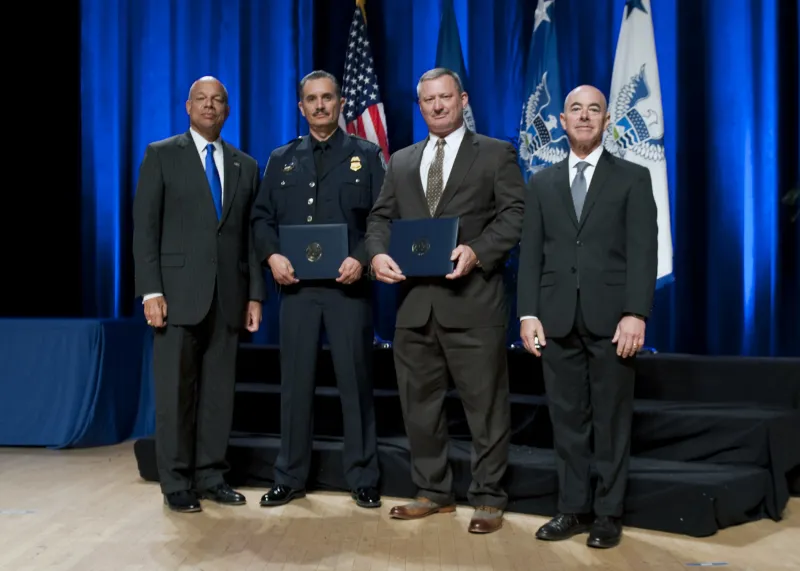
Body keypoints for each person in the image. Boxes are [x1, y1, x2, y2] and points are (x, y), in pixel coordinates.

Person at [366, 67, 524, 534]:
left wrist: (479, 252)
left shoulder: (496, 154)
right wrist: (376, 255)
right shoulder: (400, 161)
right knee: (419, 407)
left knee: (485, 407)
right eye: (428, 100)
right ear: (420, 106)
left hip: (474, 304)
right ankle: (433, 491)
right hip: (414, 308)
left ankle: (489, 496)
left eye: (445, 98)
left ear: (462, 99)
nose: (437, 106)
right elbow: (380, 219)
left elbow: (516, 215)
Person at [516, 85, 658, 548]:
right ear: (561, 121)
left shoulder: (633, 179)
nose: (584, 116)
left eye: (594, 109)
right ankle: (572, 508)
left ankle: (607, 513)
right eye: (575, 109)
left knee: (612, 422)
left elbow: (643, 253)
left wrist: (635, 312)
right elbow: (531, 255)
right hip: (556, 320)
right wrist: (528, 314)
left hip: (612, 320)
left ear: (605, 122)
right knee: (567, 421)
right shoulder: (541, 182)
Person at [132, 76, 265, 513]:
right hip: (175, 296)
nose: (210, 107)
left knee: (217, 394)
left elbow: (249, 235)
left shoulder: (245, 164)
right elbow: (145, 230)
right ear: (188, 106)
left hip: (228, 297)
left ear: (227, 109)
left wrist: (255, 296)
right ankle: (176, 482)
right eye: (202, 100)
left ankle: (211, 475)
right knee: (175, 394)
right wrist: (151, 290)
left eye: (218, 101)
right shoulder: (161, 155)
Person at [251, 70, 383, 509]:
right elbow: (261, 220)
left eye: (328, 98)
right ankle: (289, 476)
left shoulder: (366, 154)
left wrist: (362, 257)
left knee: (355, 382)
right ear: (301, 107)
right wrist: (272, 256)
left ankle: (363, 476)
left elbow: (382, 220)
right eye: (312, 99)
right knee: (295, 386)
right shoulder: (281, 159)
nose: (320, 105)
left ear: (341, 102)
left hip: (349, 291)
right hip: (298, 291)